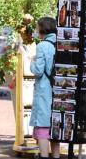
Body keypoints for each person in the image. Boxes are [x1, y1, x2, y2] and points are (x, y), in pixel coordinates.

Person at [29, 17, 60, 159]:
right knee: (55, 127)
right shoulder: (61, 43)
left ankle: (43, 156)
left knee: (43, 127)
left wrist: (32, 61)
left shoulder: (42, 46)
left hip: (45, 90)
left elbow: (38, 71)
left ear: (43, 29)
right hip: (59, 90)